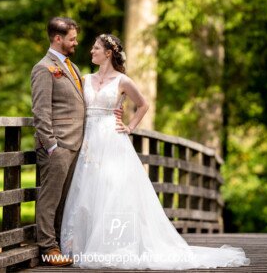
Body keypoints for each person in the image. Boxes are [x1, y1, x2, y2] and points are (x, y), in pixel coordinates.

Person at [60, 34, 250, 269]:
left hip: (112, 140)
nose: (91, 51)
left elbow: (143, 104)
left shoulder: (122, 81)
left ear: (108, 53)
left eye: (96, 48)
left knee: (113, 192)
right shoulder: (85, 79)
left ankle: (112, 245)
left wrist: (129, 126)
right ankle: (81, 245)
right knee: (86, 192)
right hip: (89, 141)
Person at [30, 17, 84, 266]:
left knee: (65, 198)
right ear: (58, 38)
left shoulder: (72, 67)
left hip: (74, 144)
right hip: (57, 146)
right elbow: (41, 112)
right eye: (72, 38)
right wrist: (51, 144)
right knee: (50, 197)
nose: (76, 42)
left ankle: (59, 244)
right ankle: (47, 246)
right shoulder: (44, 68)